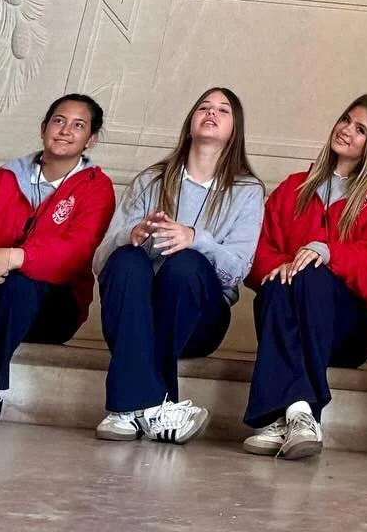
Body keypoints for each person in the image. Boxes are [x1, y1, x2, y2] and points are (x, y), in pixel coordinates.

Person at [0, 93, 115, 428]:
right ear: (44, 128)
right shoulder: (6, 177)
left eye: (78, 125)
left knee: (18, 280)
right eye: (58, 121)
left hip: (53, 309)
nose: (65, 130)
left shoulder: (96, 188)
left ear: (92, 139)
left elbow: (75, 253)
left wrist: (14, 257)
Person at [93, 86, 264, 445]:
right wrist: (130, 235)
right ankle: (152, 409)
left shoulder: (247, 190)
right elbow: (100, 261)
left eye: (223, 110)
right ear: (190, 123)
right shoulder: (151, 180)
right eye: (204, 107)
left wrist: (195, 238)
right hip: (135, 314)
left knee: (185, 263)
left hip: (199, 320)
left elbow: (237, 271)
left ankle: (128, 407)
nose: (212, 113)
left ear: (235, 130)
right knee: (126, 259)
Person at [242, 94, 367, 460]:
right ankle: (298, 413)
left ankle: (292, 413)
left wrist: (327, 252)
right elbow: (257, 251)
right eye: (345, 119)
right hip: (289, 308)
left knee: (311, 273)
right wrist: (283, 265)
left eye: (360, 129)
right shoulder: (295, 187)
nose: (346, 130)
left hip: (348, 329)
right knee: (278, 286)